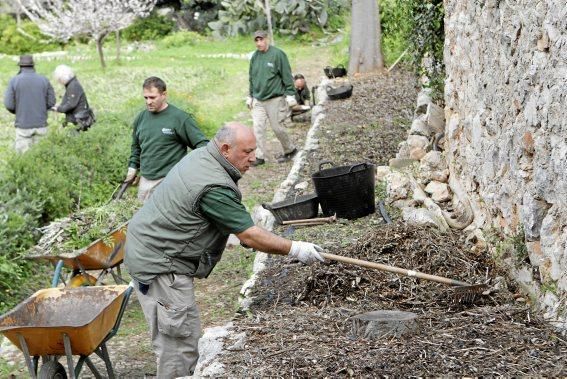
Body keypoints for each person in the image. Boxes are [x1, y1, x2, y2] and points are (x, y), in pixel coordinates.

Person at [124, 122, 325, 378]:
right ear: (226, 148)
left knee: (179, 338)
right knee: (179, 346)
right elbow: (250, 235)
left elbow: (221, 220)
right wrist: (297, 248)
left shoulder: (204, 156)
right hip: (161, 265)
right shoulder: (213, 186)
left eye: (254, 150)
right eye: (247, 152)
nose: (253, 158)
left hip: (149, 247)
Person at [125, 76, 209, 201]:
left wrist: (191, 169)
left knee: (166, 219)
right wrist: (132, 167)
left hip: (169, 181)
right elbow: (136, 146)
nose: (148, 101)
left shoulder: (179, 118)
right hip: (146, 180)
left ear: (164, 95)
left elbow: (202, 145)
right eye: (146, 97)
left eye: (152, 97)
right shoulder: (141, 118)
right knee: (144, 218)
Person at [246, 30, 297, 167]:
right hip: (259, 99)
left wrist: (290, 94)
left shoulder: (277, 54)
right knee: (258, 128)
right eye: (256, 40)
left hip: (275, 98)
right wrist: (250, 96)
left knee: (277, 128)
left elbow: (286, 74)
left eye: (261, 40)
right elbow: (252, 78)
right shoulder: (255, 57)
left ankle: (290, 149)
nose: (259, 43)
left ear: (266, 39)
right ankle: (259, 156)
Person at [3, 55, 55, 153]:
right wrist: (42, 109)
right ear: (33, 66)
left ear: (20, 66)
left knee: (24, 160)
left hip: (23, 126)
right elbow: (52, 102)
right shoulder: (44, 80)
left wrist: (19, 111)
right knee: (42, 158)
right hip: (41, 125)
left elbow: (8, 104)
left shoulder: (14, 81)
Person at [52, 64, 95, 132]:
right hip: (78, 117)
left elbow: (71, 104)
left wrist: (59, 108)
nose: (59, 82)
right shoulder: (71, 84)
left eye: (59, 79)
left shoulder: (73, 86)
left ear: (63, 77)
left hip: (79, 119)